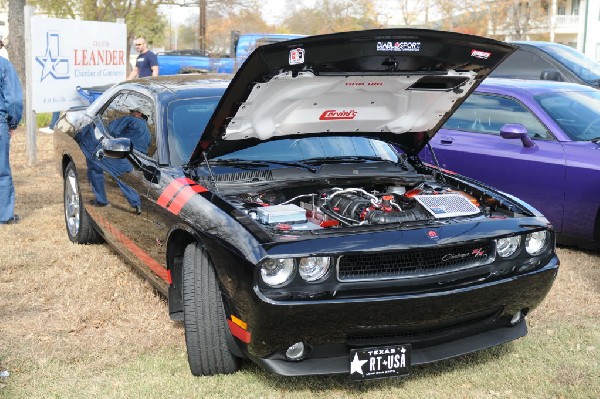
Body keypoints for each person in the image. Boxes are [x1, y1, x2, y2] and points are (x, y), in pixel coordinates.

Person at [86, 108, 151, 214]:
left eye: (132, 111)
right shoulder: (147, 132)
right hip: (135, 158)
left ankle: (101, 200)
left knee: (94, 164)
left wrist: (99, 123)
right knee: (123, 177)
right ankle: (136, 204)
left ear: (139, 113)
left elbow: (112, 130)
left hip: (122, 153)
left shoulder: (131, 120)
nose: (130, 113)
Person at [0, 34, 24, 225]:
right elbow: (14, 100)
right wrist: (12, 123)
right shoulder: (4, 66)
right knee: (1, 171)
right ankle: (4, 215)